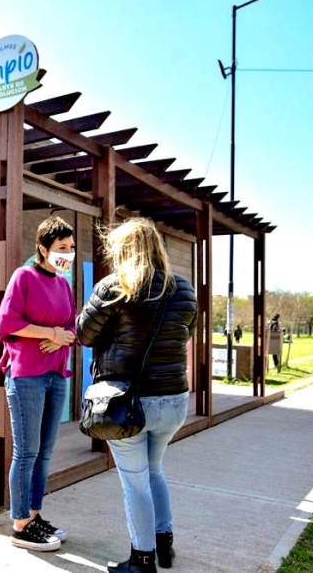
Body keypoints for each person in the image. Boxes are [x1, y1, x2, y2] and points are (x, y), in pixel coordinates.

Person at [76, 218, 197, 572]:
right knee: (155, 470)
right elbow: (184, 334)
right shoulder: (184, 289)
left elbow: (84, 334)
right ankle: (165, 545)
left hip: (127, 402)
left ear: (124, 250)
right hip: (174, 399)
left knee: (135, 482)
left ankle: (142, 560)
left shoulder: (115, 286)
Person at [0, 216, 77, 552]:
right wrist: (49, 333)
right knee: (26, 452)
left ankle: (34, 513)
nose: (67, 255)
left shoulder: (63, 284)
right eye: (61, 248)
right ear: (42, 249)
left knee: (45, 453)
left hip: (56, 374)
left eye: (71, 249)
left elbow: (72, 328)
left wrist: (61, 339)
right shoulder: (24, 276)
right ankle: (19, 525)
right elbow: (8, 322)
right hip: (27, 375)